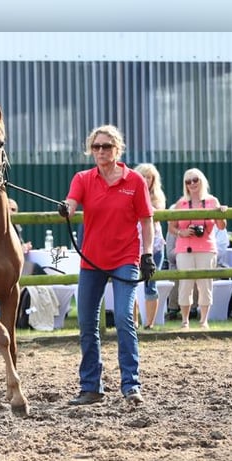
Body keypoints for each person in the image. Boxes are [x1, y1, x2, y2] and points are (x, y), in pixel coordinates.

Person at [60, 124, 155, 407]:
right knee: (87, 322)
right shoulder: (83, 178)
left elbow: (146, 220)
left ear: (118, 149)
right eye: (96, 147)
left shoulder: (134, 181)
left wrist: (147, 254)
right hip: (92, 259)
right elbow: (72, 203)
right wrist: (66, 208)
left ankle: (131, 385)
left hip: (126, 258)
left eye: (106, 147)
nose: (100, 151)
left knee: (125, 319)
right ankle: (91, 387)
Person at [170, 168, 228, 329]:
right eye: (188, 181)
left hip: (207, 247)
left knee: (205, 284)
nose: (192, 184)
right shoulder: (180, 204)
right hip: (184, 248)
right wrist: (182, 232)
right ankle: (185, 321)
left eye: (195, 180)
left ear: (202, 181)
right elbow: (171, 228)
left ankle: (204, 320)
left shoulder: (212, 201)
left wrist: (221, 212)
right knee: (185, 285)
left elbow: (221, 226)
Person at [134, 163, 166, 329]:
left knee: (150, 284)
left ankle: (150, 323)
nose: (146, 180)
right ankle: (134, 321)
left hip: (154, 246)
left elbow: (157, 213)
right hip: (133, 245)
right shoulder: (129, 193)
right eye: (143, 176)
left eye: (149, 177)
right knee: (130, 283)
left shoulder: (158, 197)